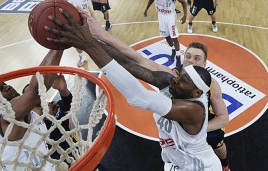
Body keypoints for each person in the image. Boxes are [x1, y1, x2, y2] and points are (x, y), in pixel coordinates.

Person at [44, 9, 223, 170]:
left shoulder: (193, 110)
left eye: (182, 81)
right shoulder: (172, 82)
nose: (175, 80)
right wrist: (90, 40)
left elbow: (139, 97)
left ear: (196, 93)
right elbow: (127, 63)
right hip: (174, 162)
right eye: (179, 75)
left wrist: (89, 45)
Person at [0, 50, 64, 170]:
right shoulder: (9, 113)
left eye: (4, 84)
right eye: (0, 89)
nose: (7, 86)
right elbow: (36, 91)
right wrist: (58, 47)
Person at [144, 0, 187, 67]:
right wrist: (146, 9)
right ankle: (173, 49)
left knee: (174, 37)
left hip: (170, 17)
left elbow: (183, 2)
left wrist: (185, 15)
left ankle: (178, 56)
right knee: (166, 36)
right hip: (161, 16)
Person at [68, 0, 88, 67]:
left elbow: (82, 8)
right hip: (77, 20)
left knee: (93, 39)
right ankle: (82, 56)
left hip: (83, 19)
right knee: (74, 40)